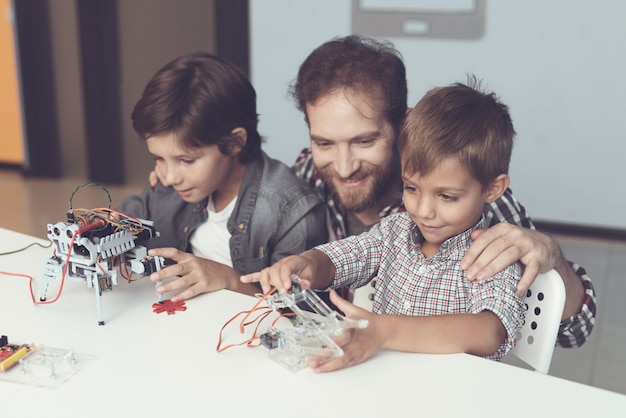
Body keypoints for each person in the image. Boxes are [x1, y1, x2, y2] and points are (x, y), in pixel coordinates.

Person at [288, 35, 595, 348]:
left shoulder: (483, 207)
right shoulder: (305, 177)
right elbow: (325, 267)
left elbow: (572, 332)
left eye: (364, 141)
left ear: (402, 126)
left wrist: (551, 256)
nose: (343, 167)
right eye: (324, 143)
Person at [242, 79, 526, 372]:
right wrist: (308, 263)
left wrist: (385, 331)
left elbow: (490, 332)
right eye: (412, 188)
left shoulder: (493, 254)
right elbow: (345, 257)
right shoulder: (395, 231)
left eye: (447, 196)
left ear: (493, 189)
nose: (424, 210)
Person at [117, 51, 328, 301]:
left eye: (187, 160)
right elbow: (125, 220)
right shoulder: (169, 182)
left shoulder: (291, 213)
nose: (170, 176)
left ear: (235, 142)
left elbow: (301, 316)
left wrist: (227, 279)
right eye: (159, 158)